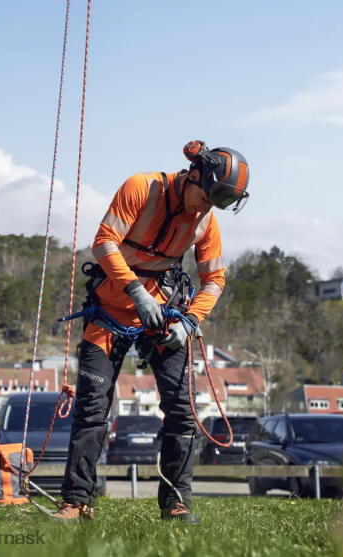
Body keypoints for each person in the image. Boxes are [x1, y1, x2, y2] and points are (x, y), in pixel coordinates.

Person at [50, 141, 250, 524]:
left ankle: (176, 503)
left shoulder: (206, 219)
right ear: (195, 175)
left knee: (182, 411)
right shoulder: (141, 187)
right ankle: (76, 503)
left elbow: (215, 279)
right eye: (207, 197)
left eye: (217, 203)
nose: (206, 208)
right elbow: (104, 242)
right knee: (91, 409)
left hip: (164, 317)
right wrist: (136, 291)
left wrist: (190, 321)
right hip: (109, 311)